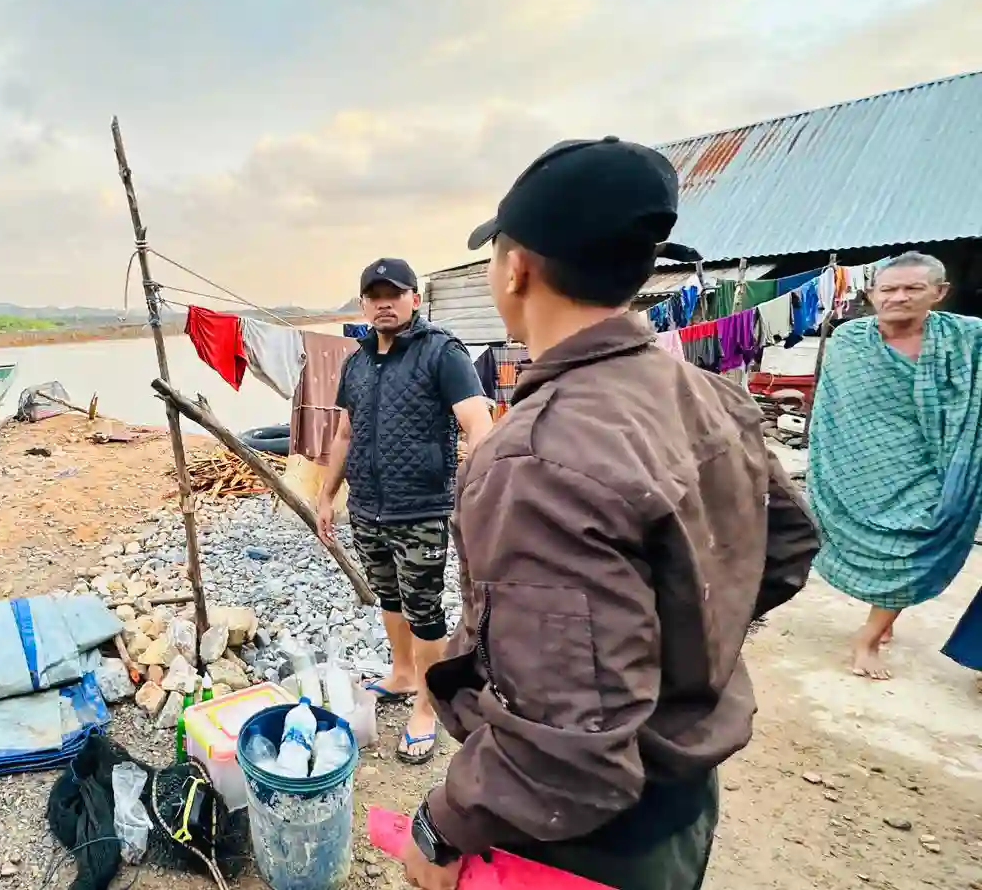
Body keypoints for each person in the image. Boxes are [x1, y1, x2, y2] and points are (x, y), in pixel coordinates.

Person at [401, 138, 820, 890]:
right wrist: (684, 644)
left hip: (583, 845)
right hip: (684, 799)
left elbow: (567, 746)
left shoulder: (535, 458)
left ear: (516, 266)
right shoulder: (708, 393)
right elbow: (784, 548)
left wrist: (442, 825)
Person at [315, 257, 493, 766]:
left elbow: (477, 426)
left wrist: (481, 495)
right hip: (368, 506)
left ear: (414, 298)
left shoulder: (442, 352)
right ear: (363, 303)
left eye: (394, 293)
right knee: (388, 597)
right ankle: (402, 672)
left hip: (421, 509)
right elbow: (345, 433)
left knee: (424, 609)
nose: (384, 303)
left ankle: (428, 705)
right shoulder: (356, 362)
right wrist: (329, 495)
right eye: (374, 295)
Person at [806, 251, 982, 680]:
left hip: (942, 464)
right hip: (865, 466)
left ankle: (868, 635)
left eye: (912, 288)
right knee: (881, 546)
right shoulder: (849, 341)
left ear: (939, 293)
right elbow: (833, 413)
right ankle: (882, 622)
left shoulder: (968, 338)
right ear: (873, 293)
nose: (898, 297)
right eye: (889, 289)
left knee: (911, 546)